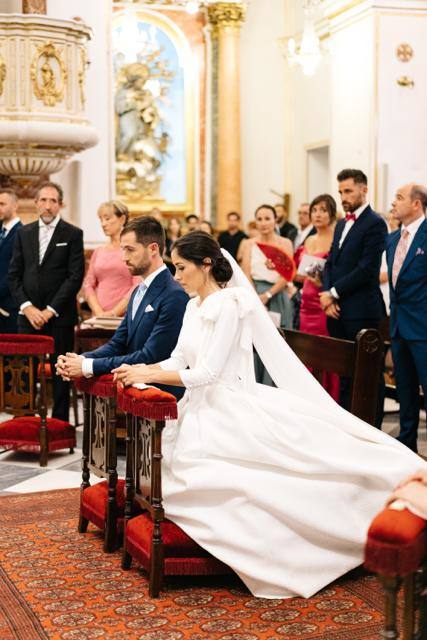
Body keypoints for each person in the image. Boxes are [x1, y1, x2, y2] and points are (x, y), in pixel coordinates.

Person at [113, 231, 423, 600]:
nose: (176, 276)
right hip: (197, 409)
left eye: (181, 268)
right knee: (171, 474)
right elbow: (180, 360)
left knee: (280, 470)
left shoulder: (229, 305)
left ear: (206, 264)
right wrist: (142, 368)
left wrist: (148, 374)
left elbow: (208, 373)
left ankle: (362, 518)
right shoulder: (193, 306)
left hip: (228, 405)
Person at [56, 216, 188, 398]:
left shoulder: (174, 294)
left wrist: (88, 367)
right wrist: (81, 359)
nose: (124, 258)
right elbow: (118, 343)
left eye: (130, 250)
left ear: (153, 249)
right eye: (122, 249)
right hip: (134, 390)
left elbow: (150, 356)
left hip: (161, 395)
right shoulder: (138, 291)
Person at [8, 181, 84, 421]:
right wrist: (28, 308)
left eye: (53, 201)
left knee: (61, 369)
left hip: (59, 316)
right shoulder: (23, 233)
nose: (48, 205)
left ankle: (60, 422)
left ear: (60, 204)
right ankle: (25, 420)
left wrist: (50, 310)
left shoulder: (73, 234)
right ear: (36, 203)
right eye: (43, 200)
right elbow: (14, 275)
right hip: (27, 316)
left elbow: (74, 277)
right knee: (24, 370)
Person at [321, 169, 387, 425]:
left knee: (369, 375)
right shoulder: (340, 223)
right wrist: (328, 294)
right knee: (345, 373)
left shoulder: (375, 223)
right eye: (340, 192)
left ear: (364, 189)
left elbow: (367, 268)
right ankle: (349, 427)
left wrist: (333, 293)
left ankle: (373, 429)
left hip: (362, 310)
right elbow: (330, 263)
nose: (343, 196)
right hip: (337, 309)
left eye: (348, 191)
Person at [386, 183, 427, 452]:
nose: (393, 203)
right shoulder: (392, 239)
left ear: (416, 204)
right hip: (399, 326)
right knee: (406, 391)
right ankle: (407, 443)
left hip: (423, 327)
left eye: (399, 198)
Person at [241, 205, 294, 385]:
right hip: (254, 295)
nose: (263, 223)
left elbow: (288, 274)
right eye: (260, 219)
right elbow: (245, 272)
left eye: (267, 218)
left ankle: (274, 385)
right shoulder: (249, 243)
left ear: (275, 220)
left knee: (277, 343)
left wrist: (268, 295)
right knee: (254, 342)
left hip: (277, 296)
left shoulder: (285, 243)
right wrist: (256, 297)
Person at [297, 194, 339, 400]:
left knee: (325, 352)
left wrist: (322, 283)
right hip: (306, 301)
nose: (318, 214)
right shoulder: (309, 238)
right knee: (307, 351)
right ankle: (308, 398)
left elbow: (338, 272)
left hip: (323, 299)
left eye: (323, 210)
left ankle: (328, 397)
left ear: (331, 213)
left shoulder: (336, 238)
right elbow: (300, 272)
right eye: (315, 210)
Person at [83, 201, 140, 317]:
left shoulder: (133, 250)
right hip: (99, 318)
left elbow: (138, 286)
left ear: (122, 219)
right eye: (101, 220)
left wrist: (114, 313)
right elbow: (88, 284)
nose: (103, 224)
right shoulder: (98, 251)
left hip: (125, 317)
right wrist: (98, 311)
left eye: (107, 219)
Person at [0, 189, 22, 333]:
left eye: (2, 204)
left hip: (9, 306)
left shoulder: (22, 233)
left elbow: (16, 271)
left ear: (15, 206)